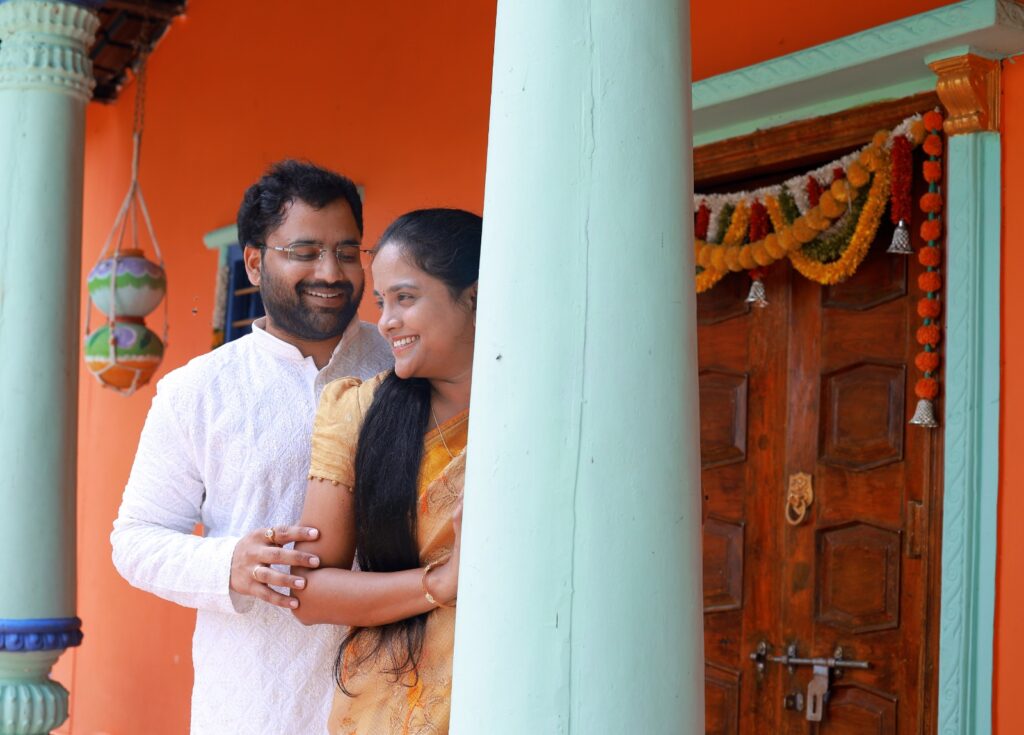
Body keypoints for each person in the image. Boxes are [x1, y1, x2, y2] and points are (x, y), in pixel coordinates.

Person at [111, 160, 394, 734]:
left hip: (399, 699)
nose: (331, 271)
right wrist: (231, 564)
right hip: (256, 706)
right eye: (305, 251)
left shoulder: (403, 362)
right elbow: (135, 539)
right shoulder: (197, 391)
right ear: (255, 262)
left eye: (346, 251)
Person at [291, 208, 481, 734]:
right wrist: (441, 582)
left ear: (473, 297)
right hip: (389, 708)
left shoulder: (542, 410)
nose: (386, 321)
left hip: (518, 688)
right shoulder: (356, 411)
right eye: (381, 302)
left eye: (406, 298)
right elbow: (308, 591)